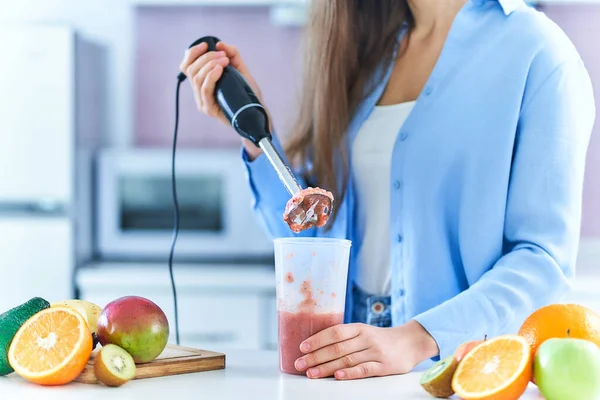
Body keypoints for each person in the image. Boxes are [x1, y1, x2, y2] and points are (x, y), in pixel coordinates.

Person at [180, 0, 595, 380]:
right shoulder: (368, 52)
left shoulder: (537, 52)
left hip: (451, 371)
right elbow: (304, 238)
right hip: (336, 361)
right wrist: (259, 138)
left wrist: (416, 337)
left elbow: (542, 261)